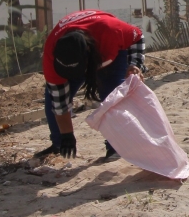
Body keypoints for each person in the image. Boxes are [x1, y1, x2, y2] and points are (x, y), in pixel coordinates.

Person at [40, 10, 146, 159]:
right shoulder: (51, 58)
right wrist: (67, 135)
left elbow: (138, 37)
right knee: (52, 97)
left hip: (107, 53)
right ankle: (58, 145)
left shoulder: (111, 32)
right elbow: (59, 102)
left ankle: (115, 147)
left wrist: (135, 64)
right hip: (86, 54)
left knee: (112, 97)